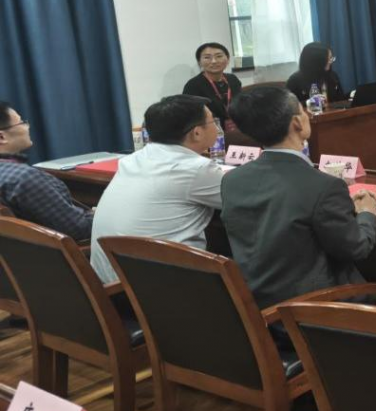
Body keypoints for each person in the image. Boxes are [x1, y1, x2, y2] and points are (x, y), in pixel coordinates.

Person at [222, 86, 376, 309]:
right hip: (312, 309)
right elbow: (357, 247)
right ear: (297, 122)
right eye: (303, 110)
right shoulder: (324, 186)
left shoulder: (232, 180)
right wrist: (367, 211)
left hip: (259, 303)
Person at [89, 95, 224, 285]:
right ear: (196, 133)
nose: (217, 128)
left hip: (112, 285)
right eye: (213, 122)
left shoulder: (133, 159)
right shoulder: (195, 169)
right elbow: (243, 199)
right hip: (160, 290)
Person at [0, 101, 92, 241]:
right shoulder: (24, 178)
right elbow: (80, 229)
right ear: (2, 137)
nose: (27, 126)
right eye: (22, 122)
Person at [181, 42, 243, 128]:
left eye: (219, 56)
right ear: (199, 62)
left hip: (238, 127)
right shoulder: (193, 85)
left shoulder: (233, 79)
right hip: (210, 131)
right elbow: (191, 117)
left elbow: (241, 105)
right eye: (207, 57)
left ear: (228, 59)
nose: (214, 61)